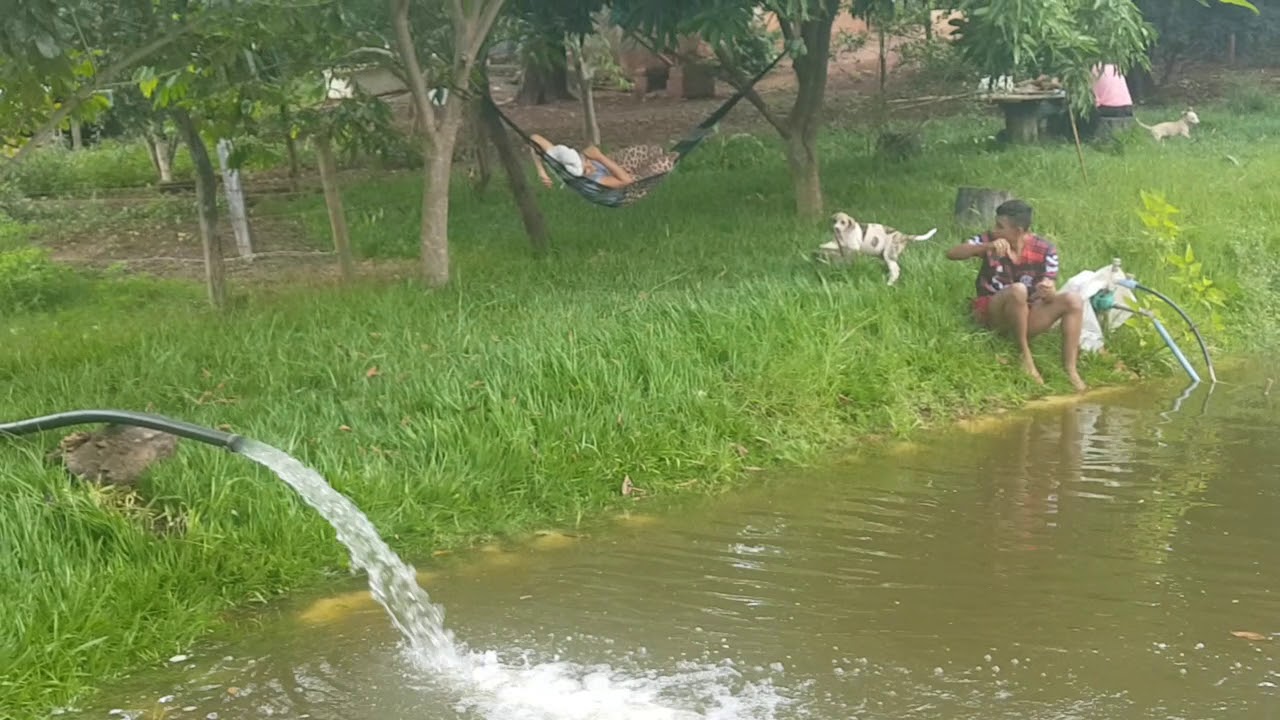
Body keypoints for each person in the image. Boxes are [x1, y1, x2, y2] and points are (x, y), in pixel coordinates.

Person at [946, 199, 1088, 393]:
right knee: (1018, 290)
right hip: (994, 311)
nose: (995, 230)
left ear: (1019, 231)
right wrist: (985, 247)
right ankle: (1024, 354)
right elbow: (952, 253)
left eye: (1000, 227)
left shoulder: (1046, 250)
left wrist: (1049, 291)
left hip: (1026, 313)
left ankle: (1071, 370)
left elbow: (1049, 286)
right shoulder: (990, 239)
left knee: (1074, 299)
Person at [528, 134, 636, 189]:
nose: (626, 169)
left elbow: (627, 181)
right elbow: (534, 139)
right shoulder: (602, 167)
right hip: (568, 159)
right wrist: (541, 171)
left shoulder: (600, 179)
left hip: (573, 168)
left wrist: (599, 157)